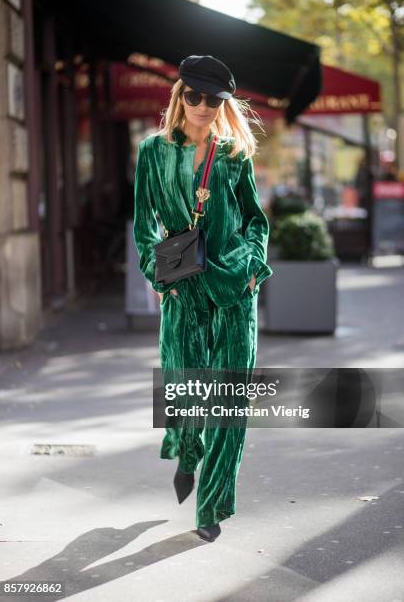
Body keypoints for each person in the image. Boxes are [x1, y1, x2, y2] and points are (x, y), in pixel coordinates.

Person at [133, 55, 273, 542]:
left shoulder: (234, 153)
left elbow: (255, 219)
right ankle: (186, 450)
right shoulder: (153, 153)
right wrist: (156, 271)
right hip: (182, 285)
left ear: (224, 103)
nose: (202, 105)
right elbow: (144, 223)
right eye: (193, 95)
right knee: (185, 390)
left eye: (213, 99)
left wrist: (254, 266)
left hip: (234, 285)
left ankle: (211, 506)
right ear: (179, 96)